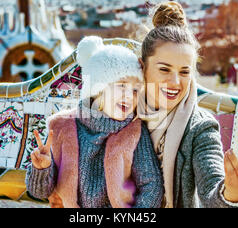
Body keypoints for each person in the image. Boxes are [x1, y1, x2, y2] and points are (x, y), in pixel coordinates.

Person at [137, 1, 238, 208]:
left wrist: (233, 192)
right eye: (164, 69)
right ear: (143, 67)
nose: (175, 82)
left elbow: (211, 190)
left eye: (184, 72)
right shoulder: (120, 115)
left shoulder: (200, 128)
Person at [25, 36, 164, 208]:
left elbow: (152, 185)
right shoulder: (61, 127)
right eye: (121, 86)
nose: (129, 96)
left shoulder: (134, 131)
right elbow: (39, 192)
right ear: (97, 89)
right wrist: (41, 169)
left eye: (135, 91)